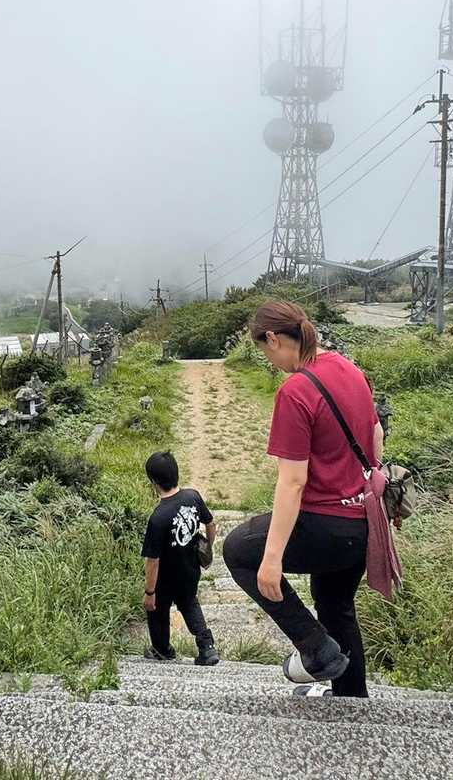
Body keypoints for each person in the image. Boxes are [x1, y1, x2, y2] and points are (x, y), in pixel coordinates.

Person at [222, 299, 384, 698]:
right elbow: (376, 435)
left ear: (274, 339)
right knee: (335, 605)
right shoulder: (349, 369)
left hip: (325, 526)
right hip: (363, 524)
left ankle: (315, 649)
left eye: (265, 351)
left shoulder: (296, 391)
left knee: (238, 550)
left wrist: (272, 558)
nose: (269, 360)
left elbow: (292, 483)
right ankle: (351, 699)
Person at [140, 450, 220, 666]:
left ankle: (162, 650)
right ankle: (207, 647)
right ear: (176, 473)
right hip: (190, 569)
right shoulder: (192, 496)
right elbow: (210, 523)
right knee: (189, 603)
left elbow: (153, 561)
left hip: (166, 578)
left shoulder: (158, 518)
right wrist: (207, 548)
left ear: (153, 481)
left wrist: (150, 592)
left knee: (157, 610)